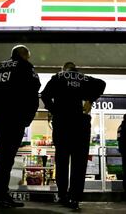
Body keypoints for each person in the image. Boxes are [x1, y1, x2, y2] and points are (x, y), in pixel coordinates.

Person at [41, 62, 106, 210]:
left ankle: (63, 195)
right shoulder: (84, 78)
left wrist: (54, 109)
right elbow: (102, 83)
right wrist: (90, 99)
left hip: (62, 123)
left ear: (64, 69)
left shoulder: (58, 77)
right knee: (79, 162)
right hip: (81, 124)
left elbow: (44, 95)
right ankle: (75, 197)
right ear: (76, 70)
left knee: (62, 160)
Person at [0, 45, 41, 208]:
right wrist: (27, 118)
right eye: (28, 56)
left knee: (2, 157)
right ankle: (1, 197)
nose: (29, 59)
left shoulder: (0, 67)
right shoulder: (26, 67)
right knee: (7, 158)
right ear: (23, 55)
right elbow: (33, 92)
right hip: (15, 117)